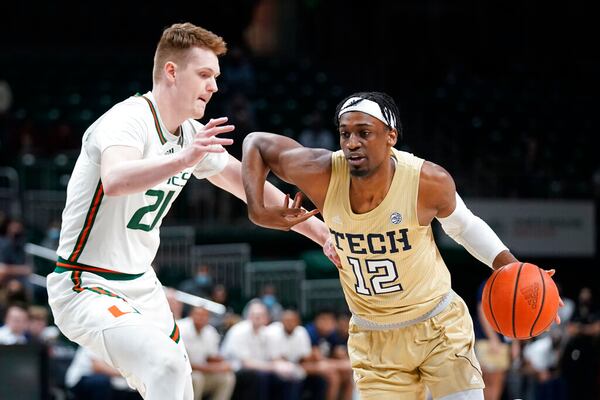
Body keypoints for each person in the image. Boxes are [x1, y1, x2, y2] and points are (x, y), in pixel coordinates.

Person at [46, 22, 332, 400]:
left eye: (215, 76)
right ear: (171, 72)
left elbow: (246, 185)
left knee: (178, 375)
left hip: (142, 286)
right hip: (86, 284)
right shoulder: (126, 120)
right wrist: (184, 158)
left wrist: (323, 234)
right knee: (164, 363)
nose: (214, 86)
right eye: (204, 74)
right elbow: (115, 179)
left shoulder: (189, 134)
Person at [241, 91, 562, 400]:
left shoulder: (427, 180)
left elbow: (464, 226)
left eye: (364, 133)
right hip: (373, 335)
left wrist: (514, 268)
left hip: (437, 324)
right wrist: (257, 210)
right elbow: (255, 142)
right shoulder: (321, 171)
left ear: (391, 135)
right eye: (345, 134)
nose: (352, 143)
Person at [178, 306, 236, 400]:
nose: (201, 318)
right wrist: (213, 368)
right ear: (191, 315)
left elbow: (210, 357)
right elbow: (183, 364)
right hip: (182, 374)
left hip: (202, 371)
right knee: (197, 378)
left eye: (204, 316)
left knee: (228, 377)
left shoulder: (210, 331)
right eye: (198, 315)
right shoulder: (181, 329)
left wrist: (224, 363)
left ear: (208, 318)